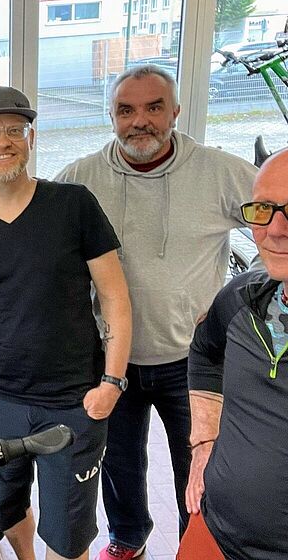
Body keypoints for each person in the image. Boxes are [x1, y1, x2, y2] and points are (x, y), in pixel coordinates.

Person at [55, 65, 256, 560]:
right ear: (111, 115)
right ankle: (128, 538)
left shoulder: (220, 171)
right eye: (126, 110)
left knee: (200, 462)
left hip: (195, 361)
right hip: (113, 359)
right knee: (119, 462)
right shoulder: (81, 178)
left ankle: (198, 542)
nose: (139, 121)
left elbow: (276, 221)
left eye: (153, 108)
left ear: (175, 112)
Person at [0, 86, 132, 560]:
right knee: (4, 508)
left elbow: (116, 298)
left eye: (13, 131)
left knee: (68, 529)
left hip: (73, 399)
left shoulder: (73, 205)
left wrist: (112, 381)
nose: (1, 142)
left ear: (30, 138)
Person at [178, 150, 288, 560]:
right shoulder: (242, 296)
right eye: (263, 209)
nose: (274, 230)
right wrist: (204, 441)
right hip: (214, 536)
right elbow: (204, 353)